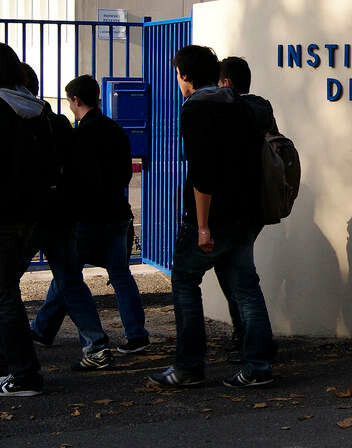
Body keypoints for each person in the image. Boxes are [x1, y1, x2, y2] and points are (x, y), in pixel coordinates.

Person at [150, 46, 275, 388]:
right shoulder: (239, 105)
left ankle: (189, 366)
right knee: (246, 287)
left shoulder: (196, 108)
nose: (178, 82)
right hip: (245, 213)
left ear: (186, 76)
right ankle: (258, 366)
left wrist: (202, 226)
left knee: (184, 282)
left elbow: (202, 173)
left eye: (178, 75)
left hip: (213, 217)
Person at [32, 75, 149, 363]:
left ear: (75, 100)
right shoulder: (115, 129)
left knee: (68, 276)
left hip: (87, 217)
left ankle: (45, 329)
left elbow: (75, 179)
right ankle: (136, 334)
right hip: (117, 212)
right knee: (119, 275)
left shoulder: (80, 135)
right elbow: (124, 173)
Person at [18, 64, 114, 371]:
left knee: (6, 286)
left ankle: (15, 355)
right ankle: (96, 345)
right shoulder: (57, 122)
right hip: (60, 214)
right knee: (70, 281)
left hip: (23, 216)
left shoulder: (11, 119)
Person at [0, 43, 55, 396]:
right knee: (7, 291)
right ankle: (14, 368)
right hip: (30, 216)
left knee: (5, 296)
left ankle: (23, 373)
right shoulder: (38, 110)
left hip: (4, 216)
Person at [216, 56, 277, 362]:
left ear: (226, 83)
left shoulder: (231, 112)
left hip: (234, 205)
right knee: (237, 274)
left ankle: (255, 346)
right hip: (257, 204)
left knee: (240, 278)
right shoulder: (262, 109)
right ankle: (249, 338)